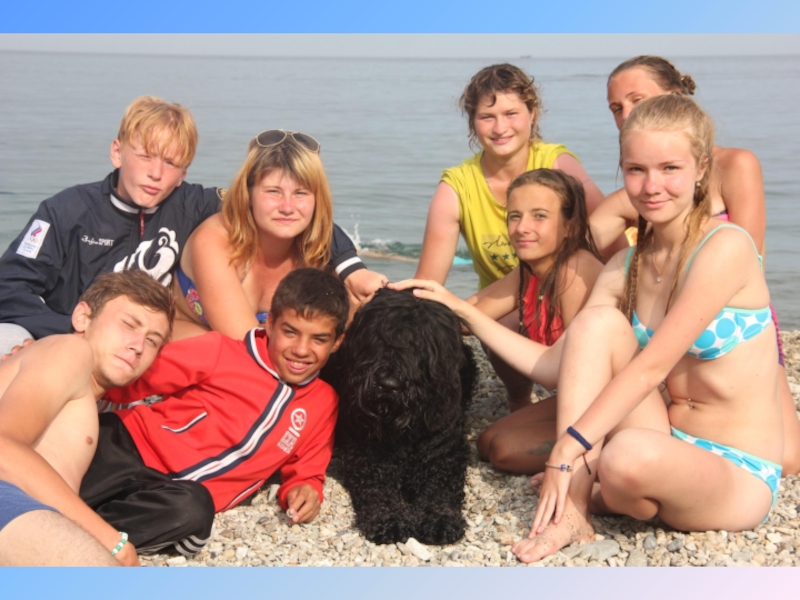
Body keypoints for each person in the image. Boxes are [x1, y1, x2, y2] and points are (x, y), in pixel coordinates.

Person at [505, 94, 784, 563]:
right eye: (636, 170)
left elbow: (651, 369)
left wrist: (567, 451)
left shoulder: (727, 248)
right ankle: (574, 510)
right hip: (663, 440)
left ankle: (605, 488)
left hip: (736, 470)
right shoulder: (626, 265)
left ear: (701, 168)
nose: (652, 186)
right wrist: (461, 310)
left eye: (670, 168)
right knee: (596, 323)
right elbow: (561, 364)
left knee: (625, 456)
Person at [0, 97, 379, 355]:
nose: (155, 173)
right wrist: (68, 331)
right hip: (63, 334)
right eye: (145, 156)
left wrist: (351, 268)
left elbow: (286, 214)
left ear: (184, 173)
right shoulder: (66, 210)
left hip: (139, 347)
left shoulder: (192, 204)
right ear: (117, 152)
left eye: (171, 163)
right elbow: (9, 284)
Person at [592, 55, 800, 475]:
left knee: (789, 459)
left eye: (637, 100)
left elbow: (749, 256)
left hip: (728, 326)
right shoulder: (648, 184)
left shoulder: (735, 164)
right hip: (663, 324)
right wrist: (632, 272)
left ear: (676, 97)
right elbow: (594, 227)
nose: (626, 114)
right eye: (616, 107)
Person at [80, 268, 347, 556]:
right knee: (62, 482)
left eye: (319, 339)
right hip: (126, 445)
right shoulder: (220, 351)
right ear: (270, 324)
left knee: (193, 512)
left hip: (178, 495)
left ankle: (77, 536)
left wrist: (305, 488)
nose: (302, 350)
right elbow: (136, 377)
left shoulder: (324, 402)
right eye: (290, 332)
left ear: (337, 342)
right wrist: (78, 381)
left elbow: (308, 467)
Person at [415, 63, 604, 410]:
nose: (500, 128)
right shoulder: (457, 186)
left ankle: (582, 394)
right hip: (507, 297)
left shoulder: (559, 165)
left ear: (533, 114)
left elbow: (608, 234)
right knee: (482, 322)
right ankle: (519, 400)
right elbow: (428, 286)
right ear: (472, 122)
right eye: (487, 117)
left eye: (511, 113)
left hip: (566, 290)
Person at [0, 270, 173, 566]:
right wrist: (111, 540)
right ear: (82, 317)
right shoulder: (71, 350)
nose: (138, 345)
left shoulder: (91, 399)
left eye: (152, 340)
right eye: (128, 324)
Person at [171, 129, 368, 340]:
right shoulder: (215, 240)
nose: (287, 207)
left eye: (300, 193)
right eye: (273, 191)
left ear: (317, 199)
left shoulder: (318, 252)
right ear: (248, 193)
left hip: (279, 354)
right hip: (188, 348)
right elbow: (245, 343)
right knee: (213, 346)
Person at [470, 169, 603, 473]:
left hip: (608, 404)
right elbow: (470, 314)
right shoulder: (530, 269)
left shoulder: (574, 270)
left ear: (570, 226)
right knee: (486, 442)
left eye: (539, 216)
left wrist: (466, 316)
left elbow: (568, 372)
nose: (522, 228)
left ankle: (599, 460)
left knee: (503, 451)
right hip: (574, 397)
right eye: (514, 216)